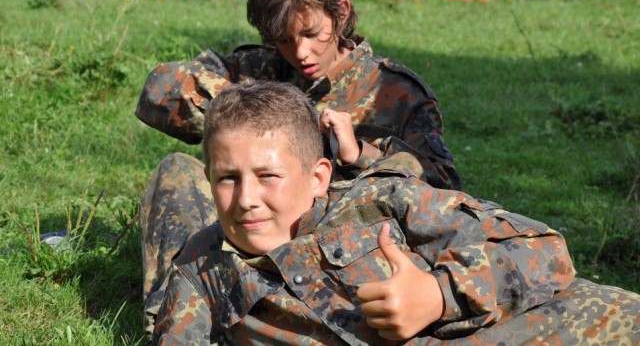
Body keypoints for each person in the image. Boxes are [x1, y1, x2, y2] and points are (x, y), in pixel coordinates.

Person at [141, 81, 639, 344]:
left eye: (268, 176)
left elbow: (544, 250)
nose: (246, 198)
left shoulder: (382, 204)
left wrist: (437, 296)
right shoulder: (201, 267)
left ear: (318, 177)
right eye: (227, 179)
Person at [135, 0, 461, 190]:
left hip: (342, 240)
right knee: (177, 172)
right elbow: (159, 90)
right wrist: (256, 112)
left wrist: (358, 155)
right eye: (284, 40)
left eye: (312, 34)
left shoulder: (397, 92)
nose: (301, 53)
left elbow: (444, 188)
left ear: (341, 13)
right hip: (253, 223)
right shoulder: (261, 69)